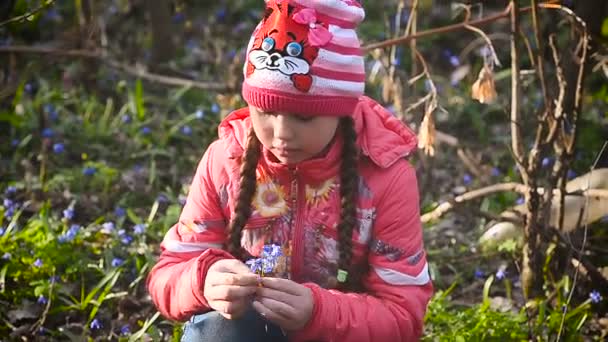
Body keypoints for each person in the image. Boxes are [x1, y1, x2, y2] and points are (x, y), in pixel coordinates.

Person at [147, 0, 433, 341]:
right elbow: (168, 275)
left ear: (341, 110)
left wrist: (319, 311)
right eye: (266, 111)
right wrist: (202, 281)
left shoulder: (386, 177)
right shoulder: (225, 161)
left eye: (304, 116)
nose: (281, 133)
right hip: (246, 330)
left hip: (340, 334)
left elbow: (403, 314)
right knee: (216, 331)